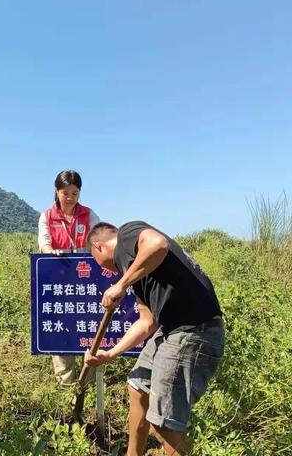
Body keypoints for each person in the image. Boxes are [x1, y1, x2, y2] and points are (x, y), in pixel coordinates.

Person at [84, 221, 224, 456]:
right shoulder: (137, 272)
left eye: (95, 260)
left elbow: (159, 244)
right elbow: (147, 322)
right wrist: (109, 354)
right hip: (171, 329)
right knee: (138, 386)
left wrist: (120, 285)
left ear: (97, 247)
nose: (104, 270)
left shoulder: (128, 235)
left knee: (163, 423)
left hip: (192, 330)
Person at [38, 170, 100, 385]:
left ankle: (88, 386)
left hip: (85, 283)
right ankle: (66, 386)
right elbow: (44, 241)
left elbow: (99, 239)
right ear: (57, 191)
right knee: (61, 329)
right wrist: (49, 251)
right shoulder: (47, 216)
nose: (71, 198)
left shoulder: (89, 215)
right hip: (60, 283)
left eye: (75, 193)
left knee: (87, 329)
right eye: (66, 193)